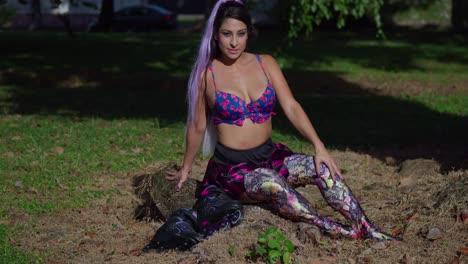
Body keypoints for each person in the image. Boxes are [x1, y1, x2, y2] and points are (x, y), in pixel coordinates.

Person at [165, 0, 399, 241]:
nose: (234, 42)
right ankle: (338, 230)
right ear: (215, 35)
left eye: (241, 34)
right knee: (272, 182)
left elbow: (291, 106)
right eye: (226, 34)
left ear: (249, 33)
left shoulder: (265, 62)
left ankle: (367, 228)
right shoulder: (206, 73)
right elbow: (197, 125)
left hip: (270, 157)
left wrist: (319, 147)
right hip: (232, 171)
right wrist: (186, 168)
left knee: (321, 169)